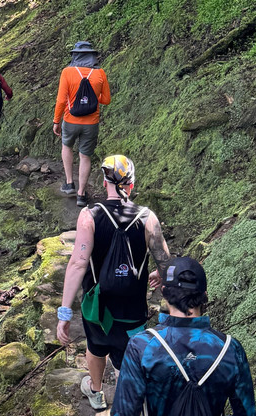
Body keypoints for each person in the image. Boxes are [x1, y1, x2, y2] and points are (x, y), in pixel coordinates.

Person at [56, 156, 171, 413]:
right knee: (129, 359)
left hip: (97, 309)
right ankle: (128, 404)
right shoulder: (148, 218)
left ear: (104, 180)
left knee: (96, 347)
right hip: (132, 312)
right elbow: (164, 261)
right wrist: (159, 275)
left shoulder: (89, 216)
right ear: (131, 184)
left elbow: (77, 264)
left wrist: (64, 312)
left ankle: (96, 392)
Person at [111, 257, 256, 416]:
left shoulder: (141, 346)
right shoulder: (230, 348)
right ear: (204, 295)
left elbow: (124, 412)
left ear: (164, 293)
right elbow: (246, 412)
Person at [53, 40, 111, 205]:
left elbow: (61, 100)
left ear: (75, 56)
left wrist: (56, 120)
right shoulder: (100, 73)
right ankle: (81, 194)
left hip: (70, 120)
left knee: (67, 146)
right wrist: (91, 98)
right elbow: (106, 100)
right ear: (92, 56)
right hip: (91, 123)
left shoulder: (67, 72)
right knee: (85, 156)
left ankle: (70, 182)